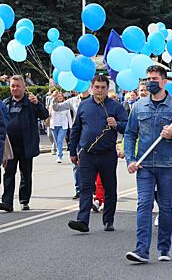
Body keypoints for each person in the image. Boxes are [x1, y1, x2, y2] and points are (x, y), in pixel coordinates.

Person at [124, 65, 172, 263]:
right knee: (144, 205)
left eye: (154, 79)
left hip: (168, 165)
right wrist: (131, 159)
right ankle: (141, 251)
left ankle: (164, 248)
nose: (150, 82)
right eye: (148, 79)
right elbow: (130, 134)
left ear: (164, 81)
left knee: (165, 207)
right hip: (145, 165)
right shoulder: (139, 106)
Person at [67, 75, 127, 233]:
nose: (99, 90)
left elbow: (128, 127)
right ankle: (83, 221)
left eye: (103, 87)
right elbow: (76, 129)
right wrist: (73, 151)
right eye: (97, 87)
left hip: (107, 154)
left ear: (108, 89)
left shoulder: (115, 106)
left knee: (109, 188)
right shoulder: (84, 105)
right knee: (86, 188)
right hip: (87, 154)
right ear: (91, 87)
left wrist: (117, 124)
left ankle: (108, 220)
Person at [0, 76, 49, 212]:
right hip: (10, 145)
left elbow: (45, 114)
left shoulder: (30, 102)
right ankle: (7, 202)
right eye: (12, 86)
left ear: (23, 87)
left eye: (18, 86)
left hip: (26, 144)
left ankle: (24, 200)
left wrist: (38, 103)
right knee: (8, 173)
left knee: (25, 174)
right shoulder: (6, 102)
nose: (15, 88)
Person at [52, 89, 91, 199]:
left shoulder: (94, 99)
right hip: (77, 134)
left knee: (91, 163)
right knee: (76, 163)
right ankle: (79, 189)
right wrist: (54, 99)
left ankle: (92, 189)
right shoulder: (73, 100)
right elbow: (57, 108)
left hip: (91, 135)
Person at [49, 91, 73, 164]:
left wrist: (71, 127)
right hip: (54, 126)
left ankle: (59, 156)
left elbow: (69, 117)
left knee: (60, 140)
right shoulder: (53, 105)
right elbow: (49, 114)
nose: (59, 97)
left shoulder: (66, 105)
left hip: (63, 126)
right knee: (56, 141)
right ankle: (59, 153)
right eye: (58, 96)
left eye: (61, 96)